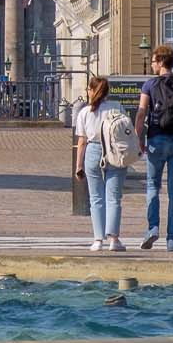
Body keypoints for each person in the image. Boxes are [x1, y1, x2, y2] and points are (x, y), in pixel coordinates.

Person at [135, 44, 173, 252]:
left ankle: (153, 228)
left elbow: (142, 112)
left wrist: (138, 138)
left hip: (156, 139)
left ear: (161, 62)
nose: (152, 64)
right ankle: (172, 239)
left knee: (153, 186)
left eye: (153, 61)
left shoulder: (150, 85)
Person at [72, 75, 131, 251]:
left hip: (93, 150)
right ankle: (114, 239)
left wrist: (78, 165)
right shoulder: (117, 107)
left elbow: (81, 141)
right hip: (114, 151)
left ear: (91, 91)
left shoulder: (85, 112)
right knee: (114, 197)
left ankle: (98, 239)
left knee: (96, 198)